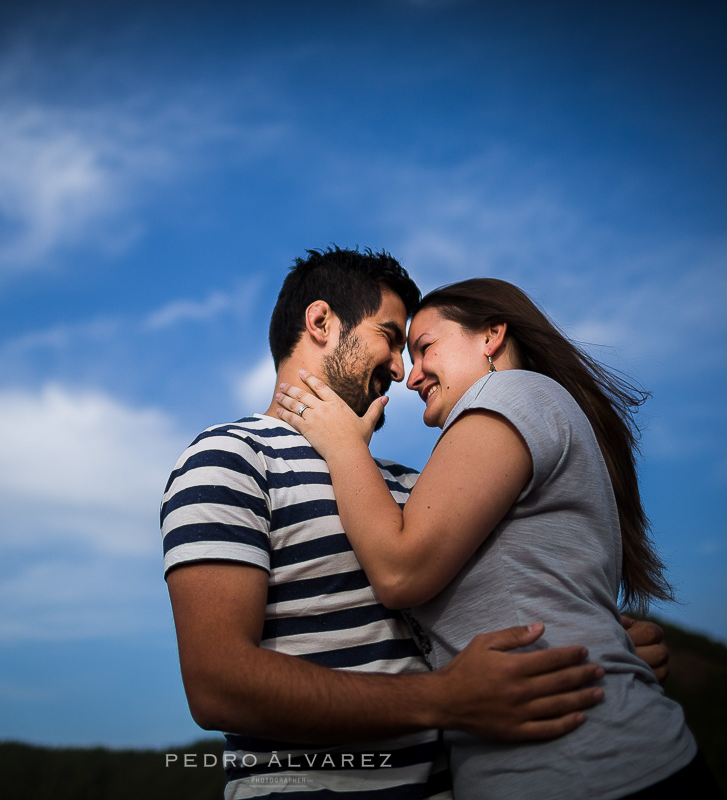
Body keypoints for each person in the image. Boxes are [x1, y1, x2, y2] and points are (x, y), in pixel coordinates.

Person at [162, 251, 671, 799]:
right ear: (321, 323)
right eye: (390, 336)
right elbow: (217, 686)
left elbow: (505, 597)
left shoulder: (412, 486)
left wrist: (593, 647)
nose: (402, 371)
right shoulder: (230, 458)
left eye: (416, 348)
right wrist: (443, 700)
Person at [274, 277, 717, 798]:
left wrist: (343, 443)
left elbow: (399, 570)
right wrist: (612, 638)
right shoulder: (522, 416)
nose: (410, 376)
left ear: (491, 336)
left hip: (592, 769)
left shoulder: (508, 393)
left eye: (424, 348)